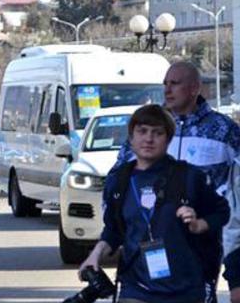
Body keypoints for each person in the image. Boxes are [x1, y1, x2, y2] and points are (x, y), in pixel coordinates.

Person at [114, 62, 240, 302]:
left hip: (198, 244)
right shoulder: (149, 129)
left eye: (175, 83)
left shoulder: (224, 130)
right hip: (147, 240)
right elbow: (119, 180)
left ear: (194, 88)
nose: (167, 90)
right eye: (165, 84)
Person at [81, 104, 229, 303]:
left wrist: (199, 224)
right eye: (142, 131)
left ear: (168, 140)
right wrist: (96, 255)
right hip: (135, 288)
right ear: (131, 137)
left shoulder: (189, 177)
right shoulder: (119, 181)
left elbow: (221, 211)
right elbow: (113, 230)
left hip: (185, 289)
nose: (149, 139)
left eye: (157, 133)